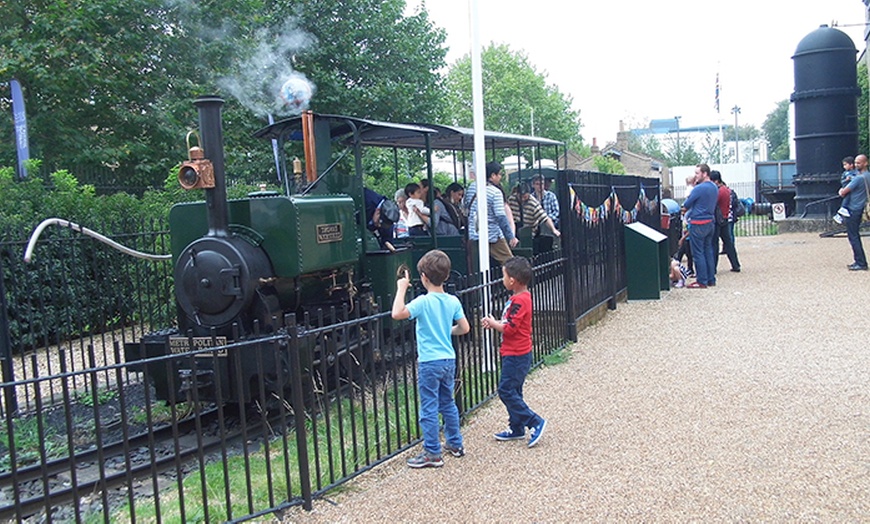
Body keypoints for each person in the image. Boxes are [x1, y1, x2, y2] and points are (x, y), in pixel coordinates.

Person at [391, 250, 471, 468]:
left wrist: (401, 288)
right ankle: (455, 443)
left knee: (428, 406)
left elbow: (397, 313)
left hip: (429, 362)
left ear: (424, 277)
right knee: (448, 404)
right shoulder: (452, 300)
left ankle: (432, 453)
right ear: (445, 277)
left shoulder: (423, 302)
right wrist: (447, 331)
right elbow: (465, 328)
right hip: (448, 360)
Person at [481, 256, 547, 448]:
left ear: (512, 280)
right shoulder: (520, 298)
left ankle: (534, 421)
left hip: (517, 353)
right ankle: (516, 427)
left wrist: (494, 324)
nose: (502, 279)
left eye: (504, 276)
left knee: (506, 390)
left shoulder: (520, 300)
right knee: (514, 390)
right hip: (515, 352)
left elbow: (510, 328)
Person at [467, 161, 518, 265]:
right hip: (492, 236)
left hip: (474, 235)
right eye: (499, 174)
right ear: (492, 175)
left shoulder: (472, 188)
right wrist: (511, 236)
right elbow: (501, 217)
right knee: (510, 262)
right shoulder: (495, 192)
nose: (500, 177)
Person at [681, 163, 719, 288]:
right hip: (710, 222)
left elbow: (686, 204)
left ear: (705, 173)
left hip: (698, 222)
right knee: (708, 250)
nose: (695, 176)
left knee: (698, 253)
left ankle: (701, 280)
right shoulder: (714, 187)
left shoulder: (699, 189)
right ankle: (710, 279)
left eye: (697, 173)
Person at [507, 182, 561, 255]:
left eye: (525, 197)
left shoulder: (533, 203)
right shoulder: (511, 200)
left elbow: (545, 218)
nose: (523, 199)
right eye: (521, 196)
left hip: (529, 232)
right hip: (514, 229)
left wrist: (554, 230)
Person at [838, 154, 869, 270]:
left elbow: (843, 192)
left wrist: (841, 190)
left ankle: (861, 262)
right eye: (855, 163)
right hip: (862, 208)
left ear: (866, 163)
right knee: (855, 235)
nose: (856, 165)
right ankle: (860, 261)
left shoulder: (858, 178)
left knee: (853, 236)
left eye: (859, 163)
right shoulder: (868, 176)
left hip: (853, 209)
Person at [709, 171, 741, 273]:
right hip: (725, 218)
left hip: (718, 219)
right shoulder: (726, 190)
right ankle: (735, 265)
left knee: (714, 244)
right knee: (728, 243)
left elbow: (713, 203)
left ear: (716, 181)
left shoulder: (719, 191)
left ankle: (713, 268)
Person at [833, 156, 857, 224]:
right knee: (847, 197)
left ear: (851, 165)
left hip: (852, 189)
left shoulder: (856, 172)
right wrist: (846, 180)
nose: (844, 166)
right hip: (846, 187)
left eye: (845, 164)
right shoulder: (845, 173)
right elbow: (842, 181)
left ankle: (841, 212)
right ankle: (842, 211)